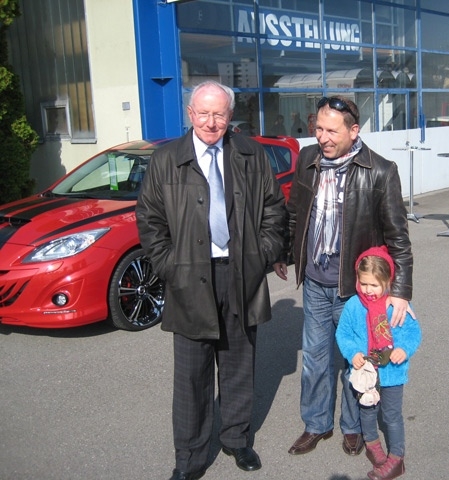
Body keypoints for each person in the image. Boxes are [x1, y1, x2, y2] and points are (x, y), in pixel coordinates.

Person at [136, 80, 287, 480]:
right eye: (203, 113)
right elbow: (150, 220)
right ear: (190, 114)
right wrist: (171, 266)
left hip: (241, 274)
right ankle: (189, 458)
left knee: (239, 365)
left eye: (219, 114)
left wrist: (263, 254)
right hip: (188, 279)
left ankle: (236, 438)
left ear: (230, 115)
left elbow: (274, 208)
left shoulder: (250, 154)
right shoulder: (167, 159)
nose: (210, 122)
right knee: (191, 377)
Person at [273, 96, 413, 458]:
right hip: (315, 283)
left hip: (355, 290)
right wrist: (284, 252)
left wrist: (400, 291)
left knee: (357, 359)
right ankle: (316, 423)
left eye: (331, 131)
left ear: (354, 131)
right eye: (318, 129)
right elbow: (295, 212)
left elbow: (398, 237)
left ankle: (353, 426)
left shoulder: (380, 171)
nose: (322, 137)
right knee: (315, 359)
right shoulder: (309, 159)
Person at [336, 246, 422, 480]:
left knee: (392, 415)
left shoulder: (397, 306)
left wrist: (404, 349)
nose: (368, 290)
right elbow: (343, 333)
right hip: (366, 372)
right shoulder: (354, 305)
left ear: (387, 281)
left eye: (374, 285)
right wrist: (352, 352)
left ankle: (397, 458)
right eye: (363, 283)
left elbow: (414, 332)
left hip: (392, 373)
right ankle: (372, 444)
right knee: (367, 410)